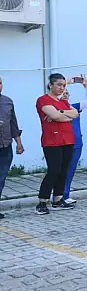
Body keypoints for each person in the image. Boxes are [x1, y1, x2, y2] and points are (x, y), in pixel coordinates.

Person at [35, 73, 78, 215]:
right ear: (50, 85)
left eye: (64, 85)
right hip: (51, 141)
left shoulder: (63, 102)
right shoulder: (43, 100)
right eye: (59, 85)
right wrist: (62, 115)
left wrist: (60, 112)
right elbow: (55, 116)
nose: (61, 88)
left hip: (67, 139)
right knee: (54, 170)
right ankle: (42, 201)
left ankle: (58, 199)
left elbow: (75, 113)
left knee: (63, 170)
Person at [62, 75, 87, 204]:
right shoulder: (55, 108)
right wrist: (66, 83)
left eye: (67, 93)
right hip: (63, 143)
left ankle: (66, 194)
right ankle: (57, 195)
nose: (65, 94)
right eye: (63, 92)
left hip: (77, 143)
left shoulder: (74, 107)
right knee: (61, 169)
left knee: (71, 169)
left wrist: (86, 86)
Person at [0, 75, 25, 219]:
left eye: (0, 83)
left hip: (5, 146)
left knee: (1, 178)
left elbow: (13, 124)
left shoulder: (7, 102)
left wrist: (19, 143)